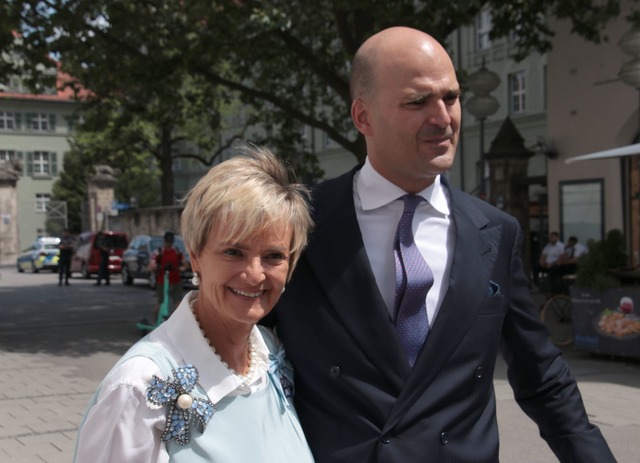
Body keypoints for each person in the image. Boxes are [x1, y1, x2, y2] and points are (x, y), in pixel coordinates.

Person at [274, 27, 615, 462]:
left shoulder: (496, 231)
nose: (443, 117)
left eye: (451, 97)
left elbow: (541, 374)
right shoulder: (299, 222)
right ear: (363, 117)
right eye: (418, 102)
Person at [74, 145, 315, 463]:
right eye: (233, 252)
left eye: (273, 256)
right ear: (195, 256)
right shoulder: (139, 389)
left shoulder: (271, 357)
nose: (255, 275)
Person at [148, 230, 185, 321]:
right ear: (164, 241)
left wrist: (181, 268)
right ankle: (156, 323)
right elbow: (151, 266)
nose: (169, 244)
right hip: (162, 281)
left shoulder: (176, 251)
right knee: (161, 303)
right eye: (167, 242)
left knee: (178, 303)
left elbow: (184, 264)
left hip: (175, 280)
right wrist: (159, 266)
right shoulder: (158, 252)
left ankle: (180, 323)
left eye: (170, 242)